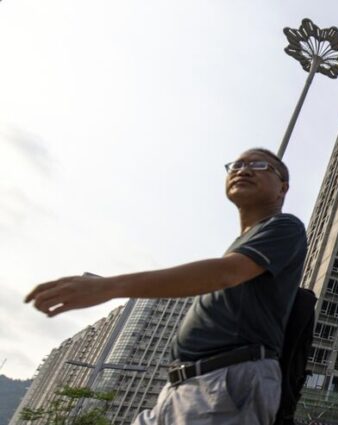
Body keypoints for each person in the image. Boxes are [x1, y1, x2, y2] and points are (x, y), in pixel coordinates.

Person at [24, 148, 307, 425]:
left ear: (283, 188)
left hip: (224, 384)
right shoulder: (245, 241)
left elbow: (227, 273)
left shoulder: (284, 226)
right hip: (185, 388)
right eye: (237, 165)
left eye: (259, 165)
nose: (243, 170)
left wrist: (108, 287)